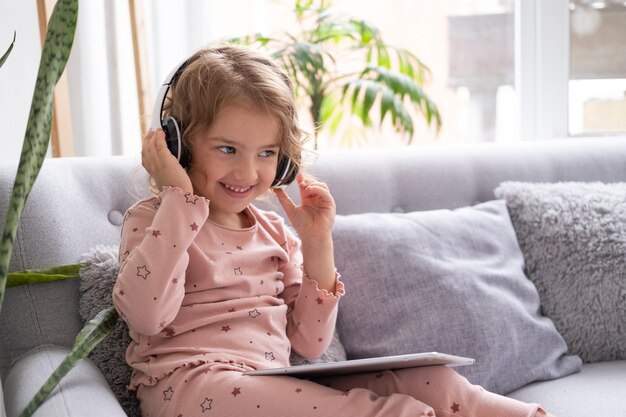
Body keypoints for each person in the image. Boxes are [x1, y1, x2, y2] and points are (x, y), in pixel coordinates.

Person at [113, 44, 554, 417]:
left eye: (267, 153)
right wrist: (178, 197)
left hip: (269, 382)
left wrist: (316, 243)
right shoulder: (153, 219)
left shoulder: (272, 231)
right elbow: (147, 315)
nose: (248, 171)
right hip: (191, 387)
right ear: (175, 143)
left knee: (431, 381)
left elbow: (308, 342)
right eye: (227, 149)